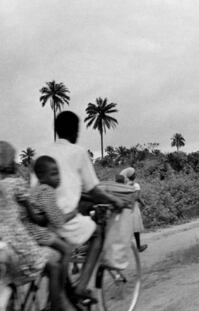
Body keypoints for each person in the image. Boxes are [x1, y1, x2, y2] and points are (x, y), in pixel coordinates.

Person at [32, 111, 125, 305]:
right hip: (62, 218)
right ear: (75, 131)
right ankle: (81, 287)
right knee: (97, 233)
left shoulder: (41, 153)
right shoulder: (78, 152)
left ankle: (61, 294)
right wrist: (114, 201)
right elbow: (94, 190)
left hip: (40, 218)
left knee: (62, 252)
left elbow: (40, 188)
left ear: (56, 130)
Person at [0, 141, 76, 311]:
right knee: (62, 253)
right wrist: (69, 214)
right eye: (55, 174)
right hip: (22, 238)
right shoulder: (22, 185)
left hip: (4, 241)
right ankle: (59, 303)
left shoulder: (25, 187)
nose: (58, 178)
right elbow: (44, 219)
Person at [120, 167, 148, 252]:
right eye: (134, 173)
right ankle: (138, 246)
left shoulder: (125, 185)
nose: (135, 174)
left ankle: (123, 248)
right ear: (132, 175)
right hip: (134, 208)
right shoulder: (136, 185)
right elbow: (137, 197)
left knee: (126, 228)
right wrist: (144, 204)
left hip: (126, 207)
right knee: (135, 229)